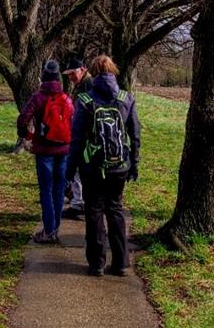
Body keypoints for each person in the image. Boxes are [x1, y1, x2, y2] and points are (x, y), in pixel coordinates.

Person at [66, 55, 140, 277]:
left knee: (94, 212)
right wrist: (134, 164)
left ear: (94, 73)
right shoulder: (126, 98)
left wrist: (70, 170)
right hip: (119, 166)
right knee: (115, 210)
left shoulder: (86, 100)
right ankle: (121, 263)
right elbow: (135, 135)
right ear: (113, 72)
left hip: (92, 168)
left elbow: (77, 139)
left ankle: (97, 263)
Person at [17, 59, 74, 244]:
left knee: (46, 190)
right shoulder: (66, 98)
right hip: (64, 149)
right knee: (59, 190)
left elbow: (23, 119)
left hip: (44, 149)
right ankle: (55, 228)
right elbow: (74, 121)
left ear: (43, 77)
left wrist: (27, 135)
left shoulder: (38, 97)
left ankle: (49, 230)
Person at [61, 57, 92, 220]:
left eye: (73, 73)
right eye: (69, 75)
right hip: (80, 132)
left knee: (78, 168)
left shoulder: (88, 85)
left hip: (84, 135)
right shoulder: (82, 85)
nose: (71, 77)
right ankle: (78, 201)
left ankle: (79, 203)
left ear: (82, 69)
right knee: (78, 169)